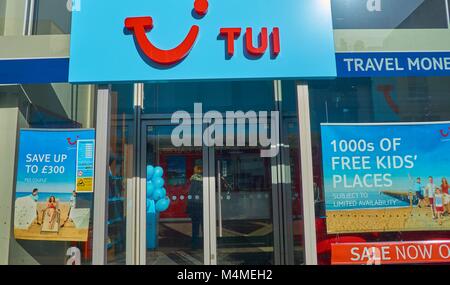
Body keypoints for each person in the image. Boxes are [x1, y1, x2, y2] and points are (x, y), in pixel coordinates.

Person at [186, 165, 203, 250]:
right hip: (203, 205)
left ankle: (195, 243)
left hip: (195, 205)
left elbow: (191, 194)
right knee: (204, 225)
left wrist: (189, 207)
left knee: (195, 226)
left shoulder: (193, 181)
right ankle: (205, 242)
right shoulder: (205, 180)